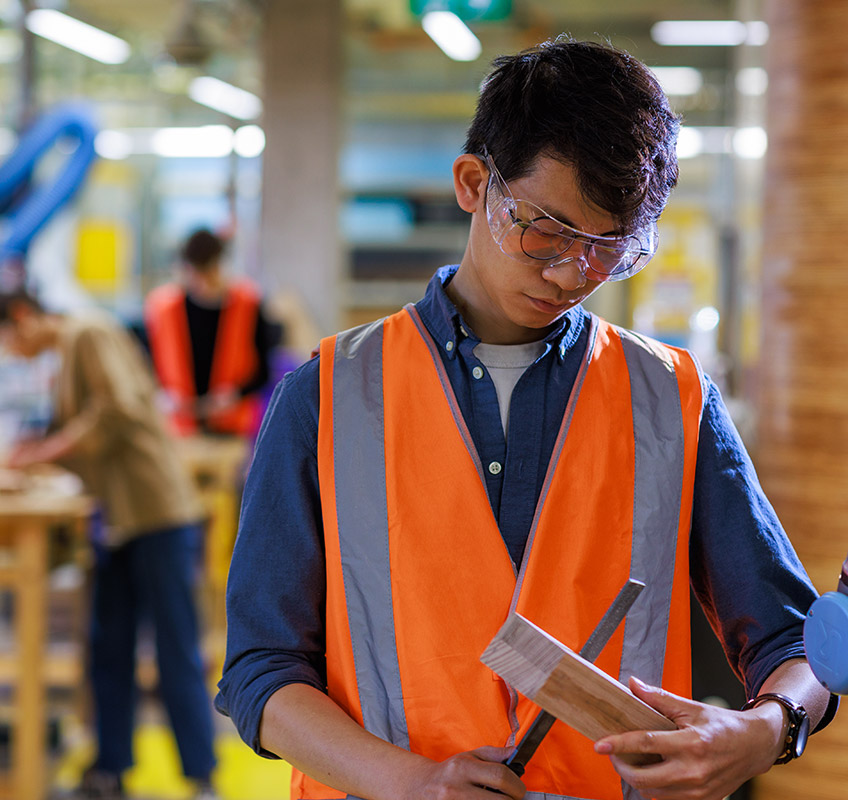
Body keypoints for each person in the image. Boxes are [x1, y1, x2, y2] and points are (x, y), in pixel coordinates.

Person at [216, 37, 837, 800]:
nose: (571, 274)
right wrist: (411, 782)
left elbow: (794, 644)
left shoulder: (672, 398)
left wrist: (767, 728)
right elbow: (259, 671)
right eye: (546, 229)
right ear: (475, 183)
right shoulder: (329, 395)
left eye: (610, 249)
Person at [0, 290, 217, 800]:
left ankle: (201, 777)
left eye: (7, 343)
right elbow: (82, 426)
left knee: (174, 646)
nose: (14, 355)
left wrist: (44, 452)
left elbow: (115, 410)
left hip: (154, 513)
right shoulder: (68, 353)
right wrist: (38, 453)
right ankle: (109, 769)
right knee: (108, 644)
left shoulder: (87, 331)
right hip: (116, 520)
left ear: (21, 316)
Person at [144, 228, 273, 437]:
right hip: (176, 429)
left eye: (209, 273)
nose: (202, 282)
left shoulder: (248, 304)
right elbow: (145, 365)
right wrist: (161, 396)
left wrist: (235, 395)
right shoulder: (162, 308)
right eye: (196, 274)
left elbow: (263, 372)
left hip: (231, 429)